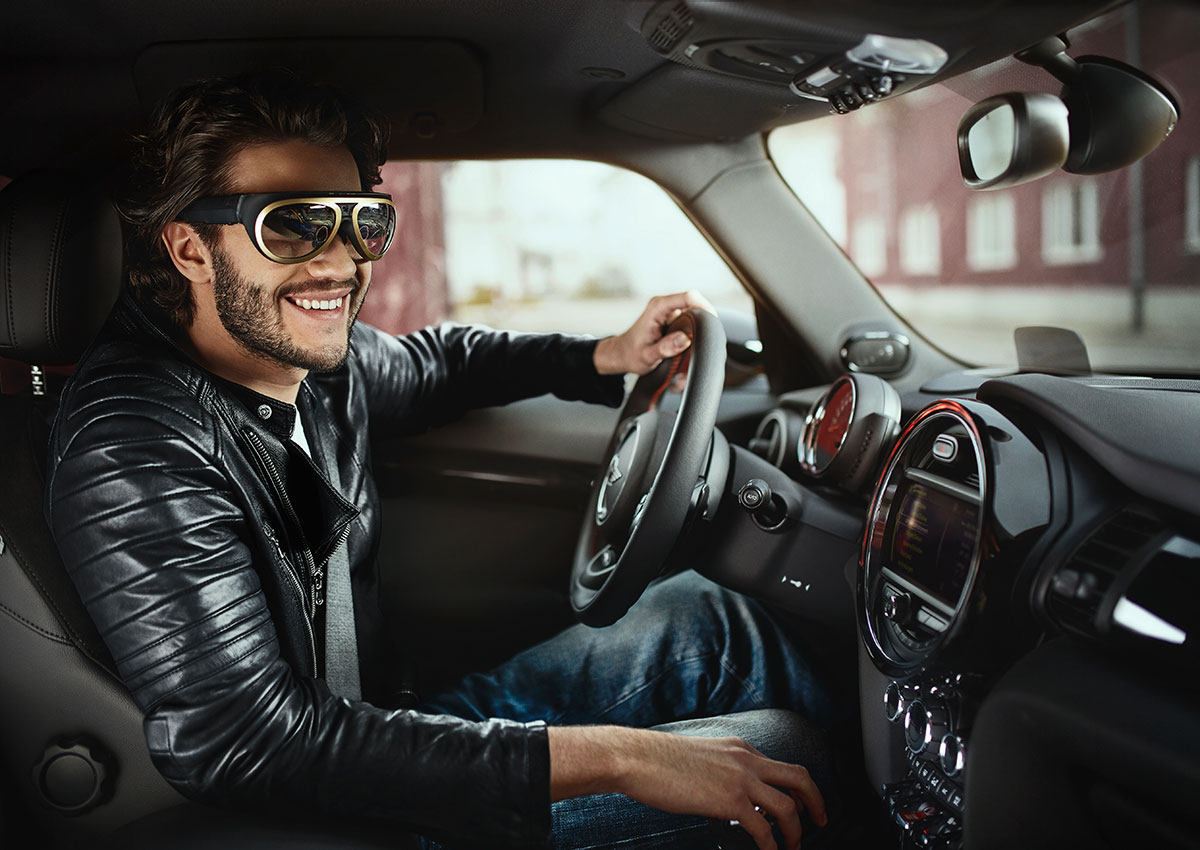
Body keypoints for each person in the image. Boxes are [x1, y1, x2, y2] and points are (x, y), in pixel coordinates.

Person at [45, 71, 832, 850]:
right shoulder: (136, 441)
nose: (341, 263)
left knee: (710, 618)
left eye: (364, 224)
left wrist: (603, 356)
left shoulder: (312, 361)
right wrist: (622, 759)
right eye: (293, 226)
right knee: (777, 756)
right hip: (339, 809)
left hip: (396, 728)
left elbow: (439, 363)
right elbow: (249, 741)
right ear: (189, 247)